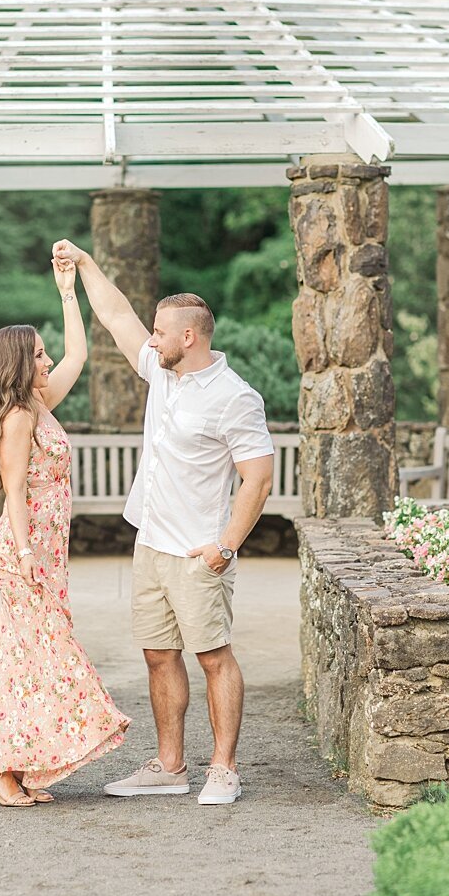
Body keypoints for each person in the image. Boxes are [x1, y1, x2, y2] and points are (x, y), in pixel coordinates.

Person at [52, 239, 274, 806]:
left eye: (160, 332)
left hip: (199, 552)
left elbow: (259, 478)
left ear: (189, 337)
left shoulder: (234, 398)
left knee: (213, 656)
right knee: (158, 655)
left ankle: (222, 769)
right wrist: (85, 265)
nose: (149, 340)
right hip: (150, 543)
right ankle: (170, 766)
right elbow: (117, 314)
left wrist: (225, 547)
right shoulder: (161, 370)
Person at [0, 257, 130, 807]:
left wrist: (67, 291)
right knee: (44, 656)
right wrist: (24, 555)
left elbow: (80, 354)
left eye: (44, 352)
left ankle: (16, 766)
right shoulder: (17, 417)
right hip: (24, 552)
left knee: (31, 659)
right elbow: (14, 491)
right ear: (18, 363)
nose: (47, 360)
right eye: (37, 354)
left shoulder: (38, 403)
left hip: (45, 552)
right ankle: (2, 765)